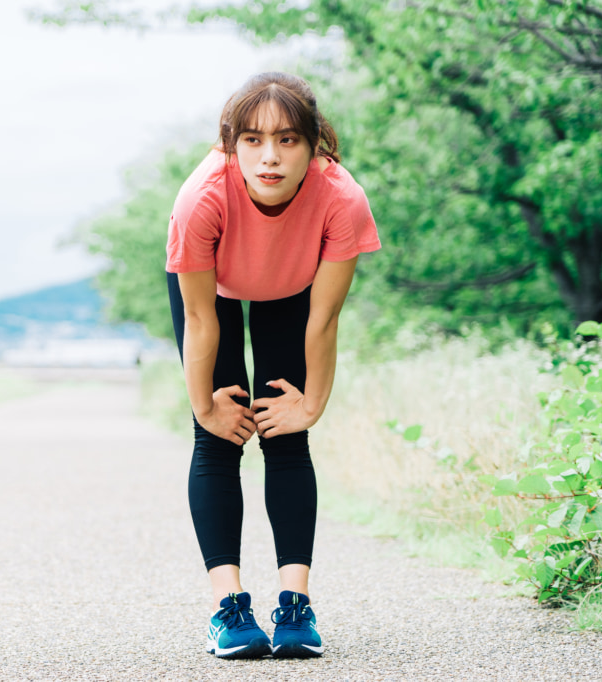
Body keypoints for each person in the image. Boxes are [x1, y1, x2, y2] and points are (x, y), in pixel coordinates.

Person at [166, 72, 381, 660]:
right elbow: (202, 321)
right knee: (217, 439)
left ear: (315, 147)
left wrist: (312, 404)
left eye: (288, 140)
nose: (270, 156)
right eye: (254, 140)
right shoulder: (201, 199)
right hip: (215, 286)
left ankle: (295, 606)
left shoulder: (340, 198)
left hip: (291, 284)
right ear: (231, 145)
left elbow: (325, 318)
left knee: (286, 434)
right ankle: (228, 609)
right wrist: (202, 404)